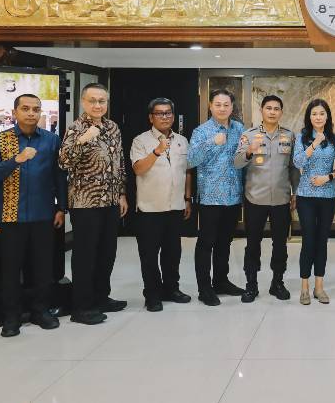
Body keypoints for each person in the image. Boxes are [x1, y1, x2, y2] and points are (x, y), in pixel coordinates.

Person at [0, 94, 66, 337]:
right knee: (10, 269)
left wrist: (61, 207)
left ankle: (41, 310)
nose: (31, 113)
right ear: (15, 112)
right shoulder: (0, 140)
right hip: (10, 215)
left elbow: (59, 176)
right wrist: (16, 160)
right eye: (25, 108)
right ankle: (11, 316)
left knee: (43, 267)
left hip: (43, 214)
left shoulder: (51, 140)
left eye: (35, 109)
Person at [59, 82, 128, 325]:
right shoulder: (76, 128)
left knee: (107, 252)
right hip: (85, 201)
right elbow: (64, 162)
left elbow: (119, 162)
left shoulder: (113, 127)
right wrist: (83, 140)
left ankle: (101, 297)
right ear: (83, 102)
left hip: (110, 199)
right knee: (85, 255)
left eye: (102, 101)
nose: (98, 105)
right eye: (93, 100)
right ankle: (81, 306)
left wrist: (121, 193)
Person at [234, 95, 299, 303]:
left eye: (276, 108)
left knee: (280, 245)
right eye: (268, 108)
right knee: (253, 244)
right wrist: (249, 152)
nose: (272, 112)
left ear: (281, 112)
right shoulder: (249, 135)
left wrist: (295, 192)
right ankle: (251, 285)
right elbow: (237, 163)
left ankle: (277, 283)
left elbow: (293, 168)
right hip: (255, 199)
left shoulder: (289, 135)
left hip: (281, 199)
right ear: (261, 110)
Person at [130, 98, 192, 312]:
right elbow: (138, 169)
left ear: (173, 116)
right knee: (149, 255)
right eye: (159, 113)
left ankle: (172, 289)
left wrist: (187, 198)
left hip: (175, 206)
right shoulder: (140, 141)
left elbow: (187, 171)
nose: (164, 117)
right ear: (151, 117)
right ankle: (152, 295)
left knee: (173, 253)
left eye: (168, 113)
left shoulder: (182, 140)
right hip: (150, 208)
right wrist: (157, 151)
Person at [188, 88, 246, 306]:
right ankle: (204, 289)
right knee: (206, 243)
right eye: (218, 104)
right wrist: (212, 142)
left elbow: (243, 158)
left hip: (233, 196)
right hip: (210, 197)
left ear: (232, 107)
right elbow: (190, 160)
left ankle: (221, 281)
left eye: (226, 105)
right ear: (210, 106)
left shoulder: (239, 128)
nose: (222, 108)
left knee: (225, 242)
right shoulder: (201, 131)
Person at [293, 99, 335, 305]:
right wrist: (314, 144)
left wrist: (329, 177)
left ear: (327, 116)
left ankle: (319, 287)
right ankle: (304, 288)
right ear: (309, 117)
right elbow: (297, 161)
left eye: (322, 113)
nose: (318, 117)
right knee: (308, 240)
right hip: (305, 196)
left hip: (328, 196)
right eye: (314, 113)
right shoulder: (301, 137)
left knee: (322, 241)